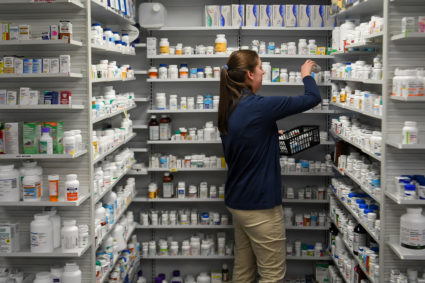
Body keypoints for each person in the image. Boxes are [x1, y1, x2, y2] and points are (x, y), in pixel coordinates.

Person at [218, 50, 321, 283]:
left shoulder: (229, 106)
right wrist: (306, 75)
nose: (263, 72)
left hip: (238, 201)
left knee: (243, 270)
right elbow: (312, 97)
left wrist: (270, 135)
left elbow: (239, 147)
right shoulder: (259, 106)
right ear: (249, 74)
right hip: (260, 207)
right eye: (261, 68)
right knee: (272, 275)